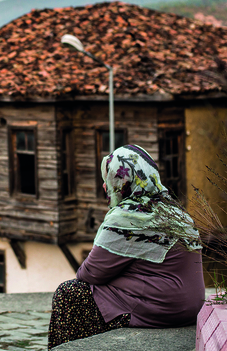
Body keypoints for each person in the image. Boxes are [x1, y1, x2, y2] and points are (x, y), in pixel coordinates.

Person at [48, 144, 205, 349]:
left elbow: (88, 274)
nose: (105, 186)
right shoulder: (175, 210)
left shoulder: (128, 217)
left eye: (109, 179)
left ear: (123, 181)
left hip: (163, 309)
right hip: (190, 308)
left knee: (69, 293)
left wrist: (115, 274)